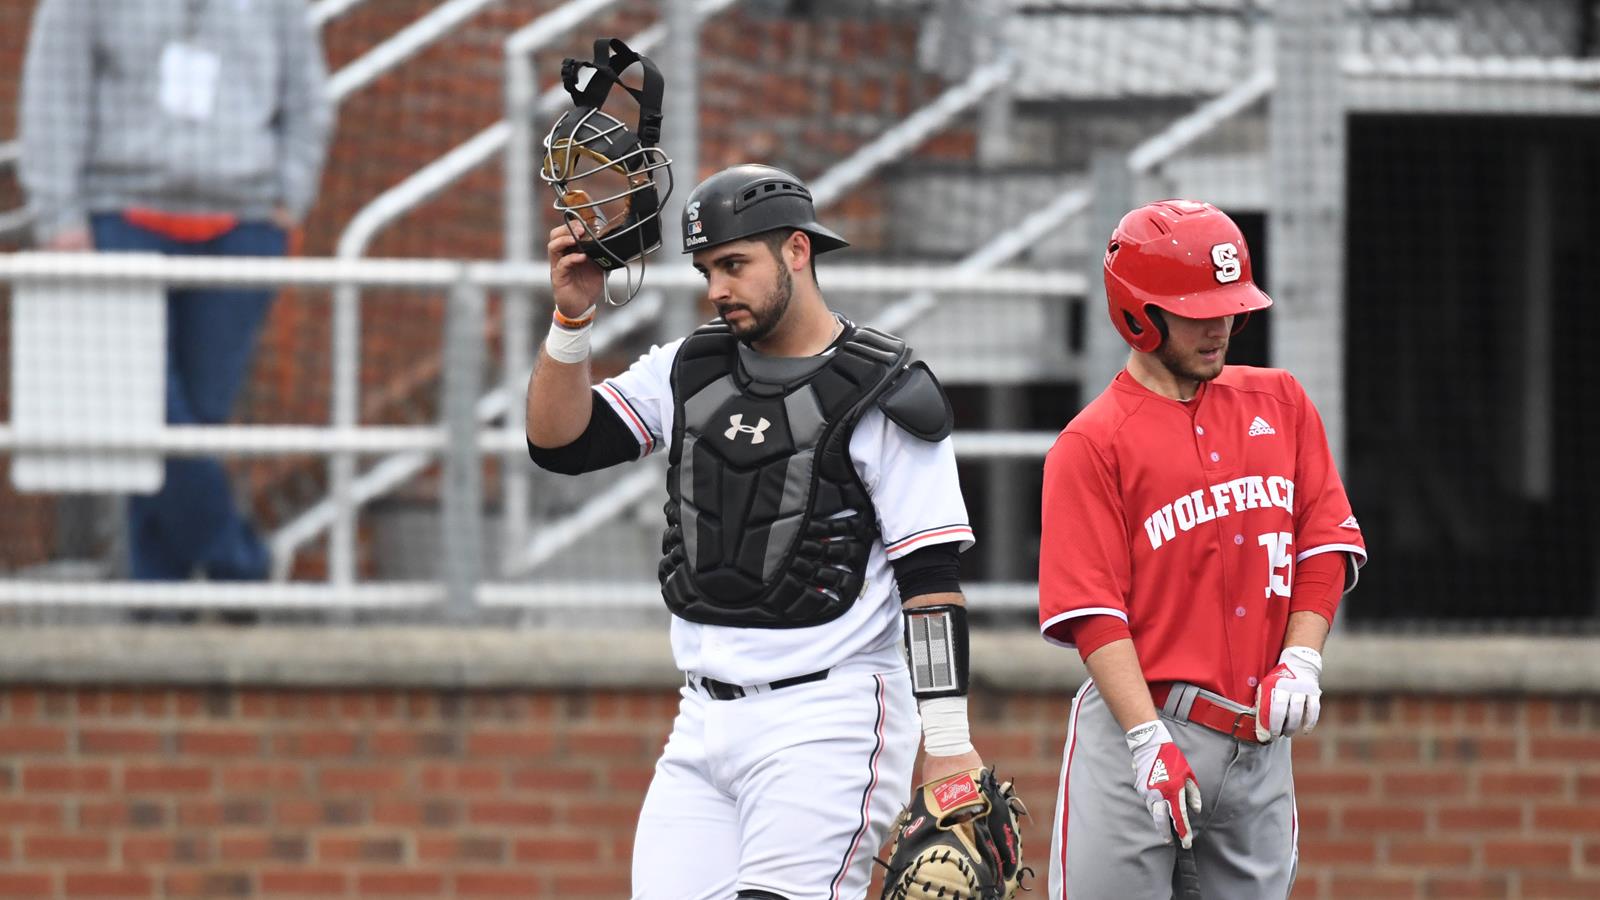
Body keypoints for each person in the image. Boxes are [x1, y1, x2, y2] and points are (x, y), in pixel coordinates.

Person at [527, 164, 993, 898]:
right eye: (707, 269)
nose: (716, 288)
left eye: (735, 264)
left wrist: (948, 743)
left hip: (830, 715)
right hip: (702, 719)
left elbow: (930, 583)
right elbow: (562, 444)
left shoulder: (885, 387)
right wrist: (571, 322)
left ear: (797, 252)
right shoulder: (691, 366)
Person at [1037, 199, 1367, 898]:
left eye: (1230, 305)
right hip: (1145, 729)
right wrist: (1145, 742)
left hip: (1258, 740)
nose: (1220, 325)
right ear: (1138, 311)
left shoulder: (1281, 401)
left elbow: (1324, 544)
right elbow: (1094, 612)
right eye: (1195, 309)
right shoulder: (1092, 443)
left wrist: (1301, 659)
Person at [18, 0, 333, 581]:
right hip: (120, 220)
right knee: (147, 419)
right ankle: (242, 566)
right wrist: (60, 220)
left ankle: (160, 605)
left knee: (199, 420)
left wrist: (289, 201)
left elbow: (308, 98)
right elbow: (53, 96)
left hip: (243, 226)